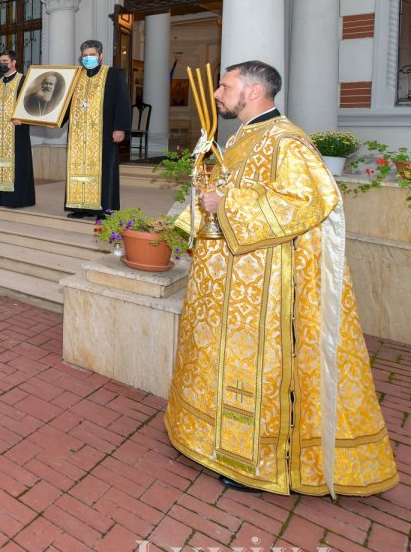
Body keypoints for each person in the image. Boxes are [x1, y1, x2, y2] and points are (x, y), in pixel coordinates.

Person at [165, 60, 397, 497]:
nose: (216, 94)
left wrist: (226, 202)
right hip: (230, 277)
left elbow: (308, 200)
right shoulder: (242, 136)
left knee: (256, 369)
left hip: (265, 284)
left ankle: (255, 462)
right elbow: (226, 189)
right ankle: (213, 442)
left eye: (225, 86)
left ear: (253, 91)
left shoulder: (286, 140)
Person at [62, 40, 130, 219]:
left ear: (101, 56)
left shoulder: (113, 74)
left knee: (104, 170)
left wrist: (120, 127)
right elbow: (65, 103)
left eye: (92, 55)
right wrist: (53, 119)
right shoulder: (76, 76)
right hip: (78, 134)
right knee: (78, 169)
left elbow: (122, 101)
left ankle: (104, 209)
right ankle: (79, 206)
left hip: (103, 132)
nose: (88, 58)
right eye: (85, 55)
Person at [0, 49, 35, 209]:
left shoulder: (23, 80)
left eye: (5, 61)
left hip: (17, 131)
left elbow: (31, 104)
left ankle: (15, 200)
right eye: (0, 62)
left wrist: (23, 119)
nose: (2, 64)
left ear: (14, 62)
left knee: (17, 165)